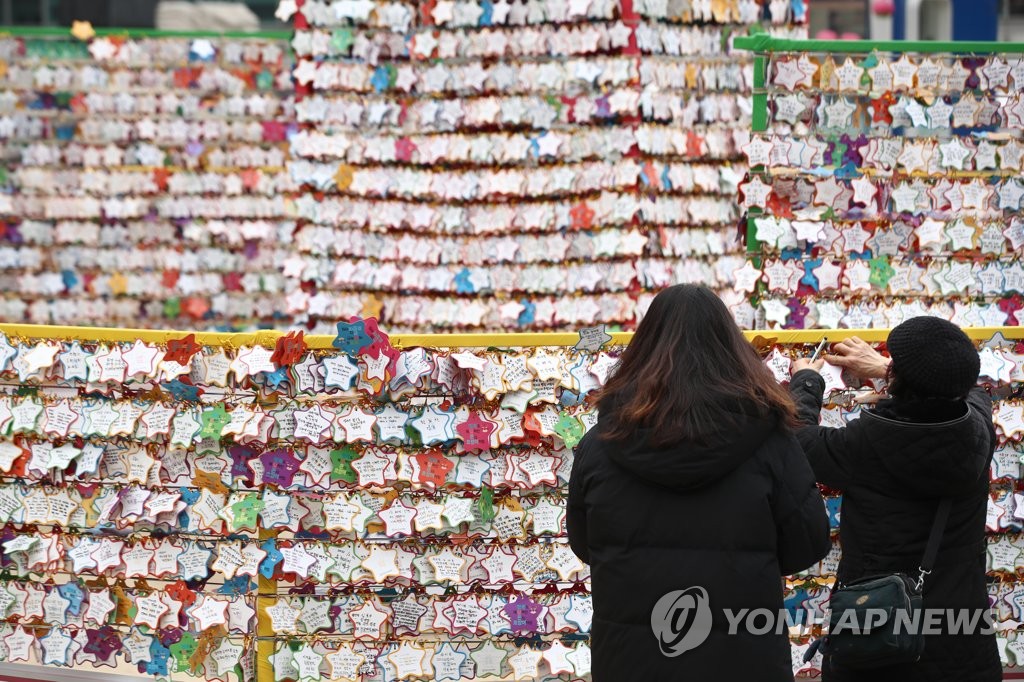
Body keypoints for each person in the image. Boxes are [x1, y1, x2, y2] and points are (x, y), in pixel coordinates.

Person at [567, 284, 830, 681]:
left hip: (633, 660)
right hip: (743, 659)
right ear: (732, 349)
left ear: (642, 350)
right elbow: (807, 543)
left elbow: (585, 544)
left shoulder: (599, 446)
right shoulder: (770, 443)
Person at [790, 317, 999, 682]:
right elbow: (974, 392)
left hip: (878, 635)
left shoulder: (867, 442)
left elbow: (799, 441)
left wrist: (807, 381)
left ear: (898, 380)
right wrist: (887, 370)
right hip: (961, 640)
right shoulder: (979, 427)